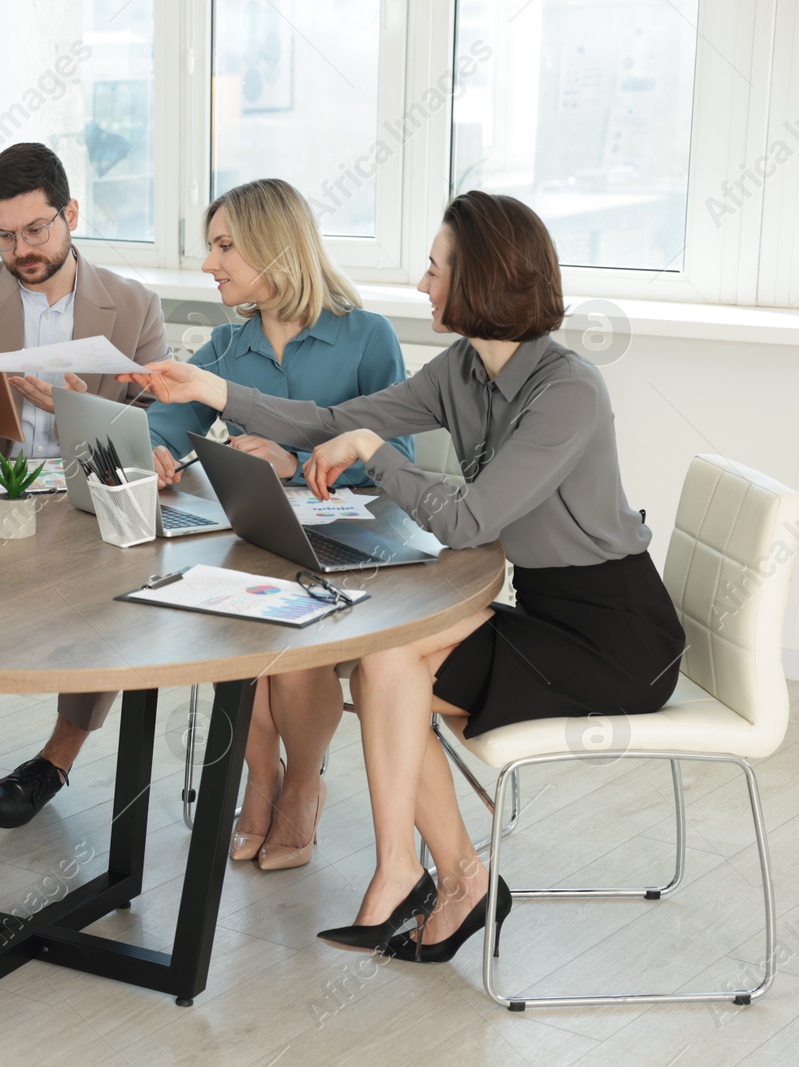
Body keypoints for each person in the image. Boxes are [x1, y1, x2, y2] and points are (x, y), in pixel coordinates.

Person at [123, 190, 686, 962]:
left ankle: (448, 877)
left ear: (480, 278)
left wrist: (374, 454)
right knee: (387, 652)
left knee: (392, 659)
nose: (423, 284)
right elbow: (334, 420)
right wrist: (211, 390)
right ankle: (417, 871)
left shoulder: (568, 390)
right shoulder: (461, 370)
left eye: (434, 267)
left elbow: (466, 519)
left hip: (617, 635)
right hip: (546, 608)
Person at [0, 142, 168, 835]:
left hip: (88, 505)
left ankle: (55, 757)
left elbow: (154, 437)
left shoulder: (134, 307)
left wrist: (71, 411)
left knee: (116, 602)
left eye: (36, 230)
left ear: (70, 213)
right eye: (4, 235)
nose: (21, 248)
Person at [146, 178, 412, 871]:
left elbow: (399, 459)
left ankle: (299, 783)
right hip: (257, 545)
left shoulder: (365, 337)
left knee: (288, 666)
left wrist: (296, 463)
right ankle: (258, 783)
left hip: (347, 549)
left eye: (225, 245)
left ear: (275, 246)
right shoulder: (228, 348)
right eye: (211, 247)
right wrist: (151, 447)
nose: (211, 264)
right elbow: (166, 424)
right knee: (244, 653)